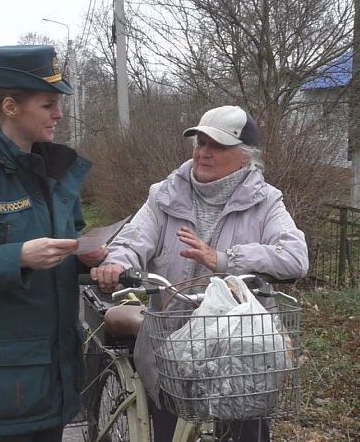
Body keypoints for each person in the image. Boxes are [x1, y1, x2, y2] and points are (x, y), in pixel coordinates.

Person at [91, 105, 309, 442]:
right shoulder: (164, 195)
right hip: (172, 340)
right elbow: (134, 240)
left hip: (239, 347)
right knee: (168, 429)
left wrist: (224, 259)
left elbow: (295, 257)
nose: (203, 153)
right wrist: (117, 263)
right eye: (200, 143)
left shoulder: (266, 203)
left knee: (248, 430)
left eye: (217, 146)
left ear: (245, 157)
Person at [0, 45, 106, 442]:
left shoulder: (53, 172)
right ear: (11, 106)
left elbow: (68, 241)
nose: (58, 114)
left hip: (55, 368)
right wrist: (20, 256)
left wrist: (85, 258)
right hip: (8, 379)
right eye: (48, 105)